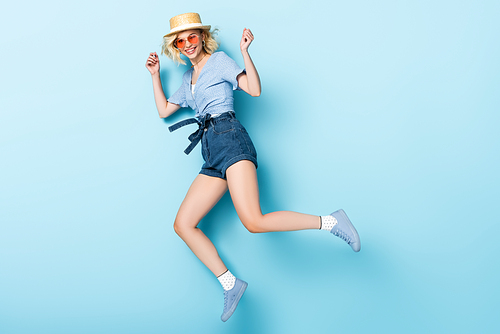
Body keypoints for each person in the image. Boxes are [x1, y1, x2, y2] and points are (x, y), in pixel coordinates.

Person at [145, 12, 361, 322]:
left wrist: (245, 53)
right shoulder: (186, 80)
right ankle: (230, 284)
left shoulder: (219, 61)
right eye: (181, 41)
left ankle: (331, 221)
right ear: (176, 47)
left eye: (192, 36)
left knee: (254, 220)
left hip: (230, 137)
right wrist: (154, 75)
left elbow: (253, 89)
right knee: (183, 224)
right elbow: (165, 109)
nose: (187, 44)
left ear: (202, 37)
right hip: (211, 151)